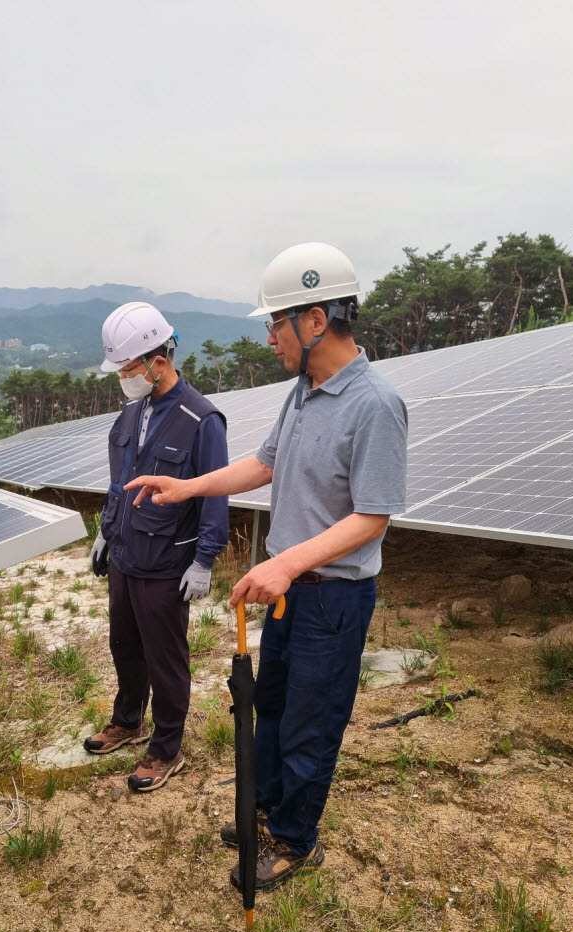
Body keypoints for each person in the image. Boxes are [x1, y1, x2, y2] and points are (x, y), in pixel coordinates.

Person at [125, 244, 408, 889]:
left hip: (332, 598)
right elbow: (263, 464)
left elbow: (372, 517)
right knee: (270, 706)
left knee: (312, 718)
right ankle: (268, 805)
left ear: (315, 320)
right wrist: (186, 487)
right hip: (288, 590)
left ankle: (294, 837)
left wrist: (287, 565)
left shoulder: (375, 405)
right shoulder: (303, 394)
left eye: (276, 323)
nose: (271, 337)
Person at [85, 302, 230, 792]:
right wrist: (106, 529)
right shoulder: (130, 414)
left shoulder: (201, 419)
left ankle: (166, 748)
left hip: (168, 561)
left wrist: (205, 559)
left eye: (128, 369)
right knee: (124, 644)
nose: (124, 378)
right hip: (127, 554)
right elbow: (117, 481)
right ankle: (129, 720)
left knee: (166, 658)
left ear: (158, 362)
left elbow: (214, 492)